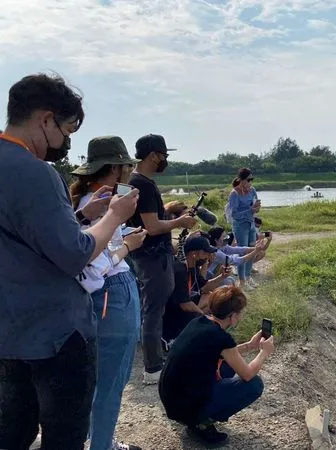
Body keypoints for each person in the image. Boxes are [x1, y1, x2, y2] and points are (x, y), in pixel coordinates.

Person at [0, 73, 139, 450]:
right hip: (56, 334)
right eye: (65, 129)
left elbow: (25, 237)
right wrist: (113, 216)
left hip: (9, 331)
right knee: (64, 435)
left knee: (13, 429)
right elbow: (75, 253)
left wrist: (78, 216)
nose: (64, 141)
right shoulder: (37, 173)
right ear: (46, 120)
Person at [70, 136, 147, 450]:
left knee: (96, 381)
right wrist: (129, 246)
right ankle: (102, 445)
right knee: (111, 383)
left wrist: (122, 233)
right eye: (126, 166)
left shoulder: (84, 204)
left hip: (95, 301)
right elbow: (95, 265)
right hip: (111, 296)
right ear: (116, 168)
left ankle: (97, 440)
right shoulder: (103, 207)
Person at [159, 285, 274, 445]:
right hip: (183, 406)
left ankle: (199, 413)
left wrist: (249, 345)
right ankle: (200, 422)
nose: (241, 316)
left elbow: (222, 353)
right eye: (240, 313)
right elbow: (247, 374)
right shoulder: (220, 338)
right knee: (254, 384)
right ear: (232, 316)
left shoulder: (199, 322)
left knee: (227, 365)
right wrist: (264, 352)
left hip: (172, 398)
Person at [126, 134, 198, 384]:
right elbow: (152, 226)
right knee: (153, 311)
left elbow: (146, 218)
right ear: (154, 155)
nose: (165, 160)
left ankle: (155, 361)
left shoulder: (135, 181)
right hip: (152, 257)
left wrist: (168, 212)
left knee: (153, 308)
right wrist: (180, 222)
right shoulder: (142, 184)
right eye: (164, 155)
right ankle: (153, 367)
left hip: (146, 256)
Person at [162, 232, 232, 347]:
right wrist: (204, 317)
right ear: (194, 254)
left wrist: (222, 276)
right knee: (202, 313)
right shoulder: (180, 270)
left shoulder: (191, 267)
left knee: (210, 297)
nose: (206, 257)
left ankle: (201, 325)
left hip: (182, 308)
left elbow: (204, 287)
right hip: (172, 314)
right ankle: (178, 336)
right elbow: (185, 304)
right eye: (205, 253)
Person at [225, 168, 260, 289]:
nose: (250, 182)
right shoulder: (234, 194)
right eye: (248, 179)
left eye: (252, 179)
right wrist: (250, 210)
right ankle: (242, 281)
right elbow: (234, 214)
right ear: (241, 180)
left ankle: (248, 276)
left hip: (251, 224)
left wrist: (256, 208)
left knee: (252, 249)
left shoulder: (252, 190)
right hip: (240, 226)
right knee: (242, 251)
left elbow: (256, 207)